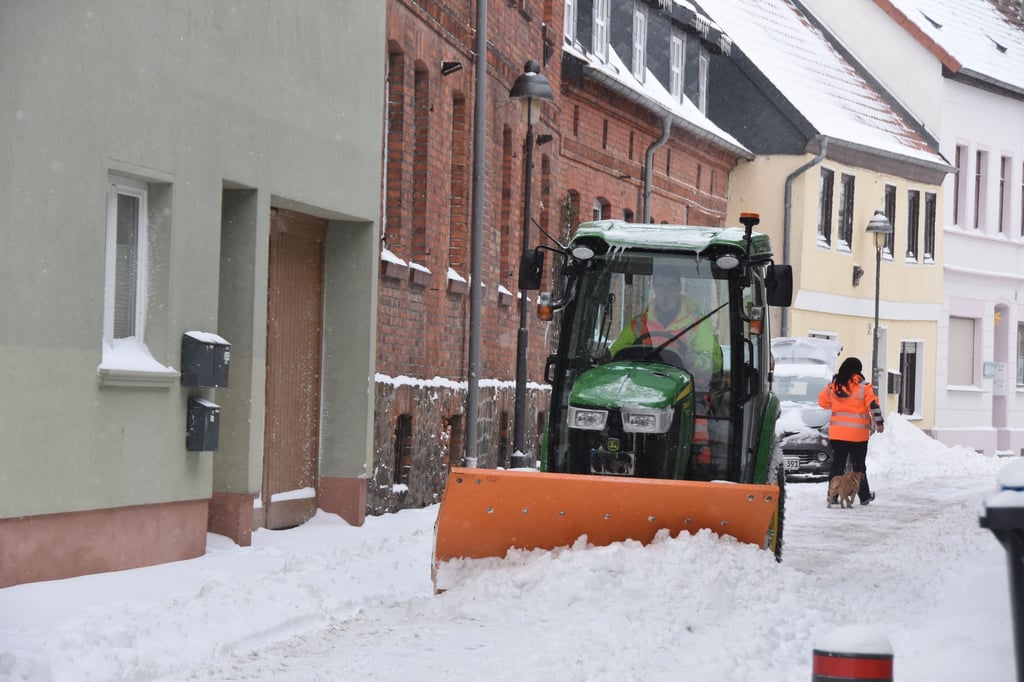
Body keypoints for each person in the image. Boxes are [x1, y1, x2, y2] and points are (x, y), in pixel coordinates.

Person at [608, 263, 723, 389]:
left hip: (686, 387)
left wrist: (695, 360)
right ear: (654, 288)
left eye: (670, 286)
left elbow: (715, 363)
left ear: (678, 288)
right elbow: (616, 354)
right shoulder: (639, 323)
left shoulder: (698, 323)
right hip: (643, 386)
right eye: (660, 286)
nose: (665, 291)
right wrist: (604, 356)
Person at [818, 357, 885, 505]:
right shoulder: (864, 387)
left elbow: (822, 402)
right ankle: (864, 496)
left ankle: (832, 496)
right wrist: (879, 422)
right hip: (858, 435)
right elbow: (873, 405)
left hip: (837, 434)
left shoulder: (833, 386)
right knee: (859, 466)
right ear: (858, 370)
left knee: (837, 465)